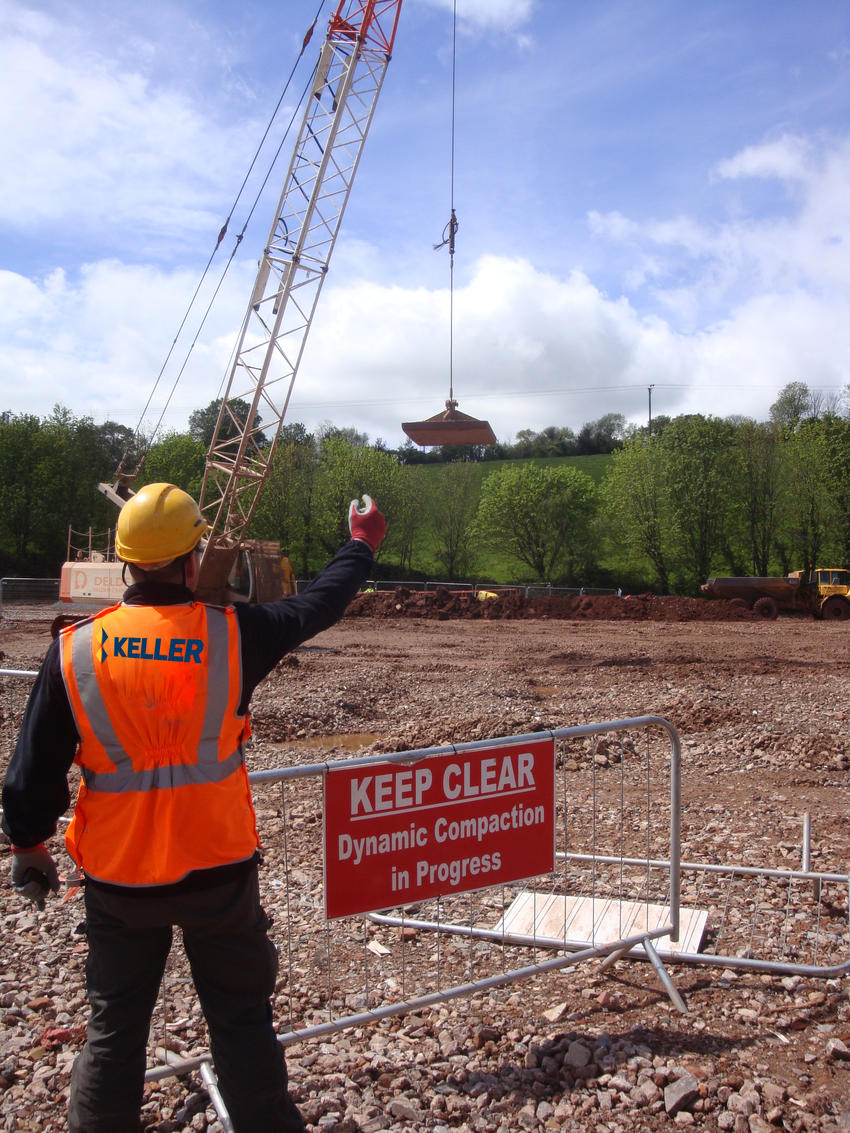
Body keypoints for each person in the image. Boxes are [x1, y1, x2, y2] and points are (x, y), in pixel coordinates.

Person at [2, 482, 386, 1133]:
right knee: (241, 1021)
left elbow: (32, 769)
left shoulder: (74, 649)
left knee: (114, 1029)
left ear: (125, 563)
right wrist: (360, 544)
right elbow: (319, 603)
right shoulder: (235, 635)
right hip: (219, 872)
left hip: (119, 880)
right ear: (193, 559)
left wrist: (29, 844)